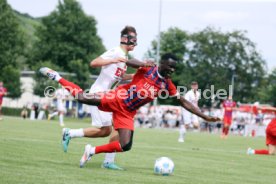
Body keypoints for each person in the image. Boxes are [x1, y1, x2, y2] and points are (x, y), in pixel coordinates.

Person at [39, 53, 220, 168]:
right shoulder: (148, 69)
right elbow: (129, 62)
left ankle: (91, 151)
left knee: (125, 145)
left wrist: (205, 116)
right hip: (116, 98)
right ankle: (57, 77)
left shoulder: (166, 84)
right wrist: (144, 63)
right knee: (81, 98)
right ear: (162, 64)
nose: (172, 70)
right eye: (169, 66)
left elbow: (183, 102)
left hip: (127, 112)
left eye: (174, 67)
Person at [61, 26, 138, 170]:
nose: (135, 43)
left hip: (110, 96)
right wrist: (113, 59)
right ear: (124, 39)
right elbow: (94, 63)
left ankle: (108, 161)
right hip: (99, 95)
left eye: (136, 40)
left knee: (117, 128)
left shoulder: (124, 56)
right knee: (105, 131)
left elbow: (118, 78)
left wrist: (133, 77)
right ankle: (70, 133)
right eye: (133, 39)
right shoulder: (116, 52)